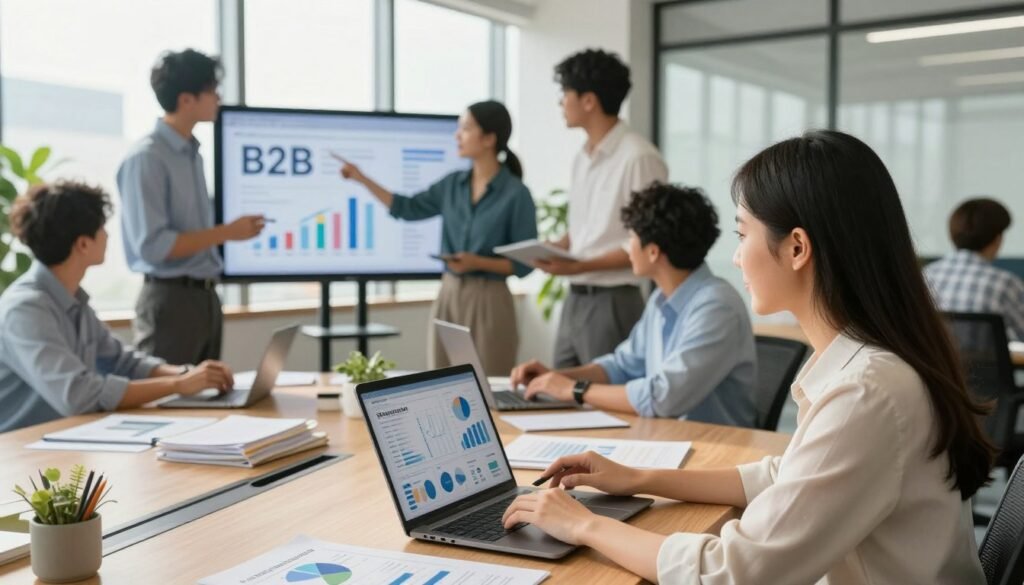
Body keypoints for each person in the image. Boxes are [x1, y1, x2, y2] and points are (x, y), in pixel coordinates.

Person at [502, 130, 993, 584]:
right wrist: (638, 478)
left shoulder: (865, 392)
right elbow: (785, 476)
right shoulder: (871, 367)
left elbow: (733, 573)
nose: (737, 258)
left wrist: (585, 526)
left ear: (797, 247)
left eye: (743, 235)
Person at [509, 183, 757, 427]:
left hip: (716, 447)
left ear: (652, 252)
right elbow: (621, 366)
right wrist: (555, 378)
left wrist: (574, 389)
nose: (627, 248)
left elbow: (663, 397)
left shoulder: (717, 307)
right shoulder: (661, 300)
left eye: (630, 238)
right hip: (668, 437)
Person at [0, 181, 236, 433]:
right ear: (82, 244)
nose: (108, 235)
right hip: (20, 451)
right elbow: (79, 395)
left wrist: (188, 374)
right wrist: (178, 385)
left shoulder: (73, 299)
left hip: (66, 437)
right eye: (102, 228)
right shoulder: (25, 309)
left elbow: (123, 362)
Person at [338, 100, 536, 375]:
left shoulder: (516, 194)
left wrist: (476, 262)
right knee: (442, 380)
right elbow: (406, 208)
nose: (457, 135)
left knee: (491, 383)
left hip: (490, 299)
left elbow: (524, 265)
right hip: (450, 292)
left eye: (465, 128)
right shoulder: (452, 184)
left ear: (489, 138)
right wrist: (362, 178)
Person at [118, 48, 265, 365]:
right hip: (171, 301)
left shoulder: (192, 154)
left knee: (207, 402)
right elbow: (153, 246)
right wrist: (226, 232)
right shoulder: (148, 158)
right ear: (186, 100)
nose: (219, 99)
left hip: (205, 298)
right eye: (212, 91)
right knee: (166, 404)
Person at [538, 48, 668, 368]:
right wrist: (558, 246)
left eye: (564, 93)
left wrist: (579, 266)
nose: (560, 103)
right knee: (556, 396)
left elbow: (648, 241)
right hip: (576, 298)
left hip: (612, 301)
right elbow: (587, 225)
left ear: (588, 101)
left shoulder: (639, 157)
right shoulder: (583, 157)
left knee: (605, 406)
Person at [924, 197, 1024, 341]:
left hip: (932, 363)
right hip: (987, 364)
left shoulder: (925, 276)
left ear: (952, 235)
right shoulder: (1006, 283)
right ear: (997, 239)